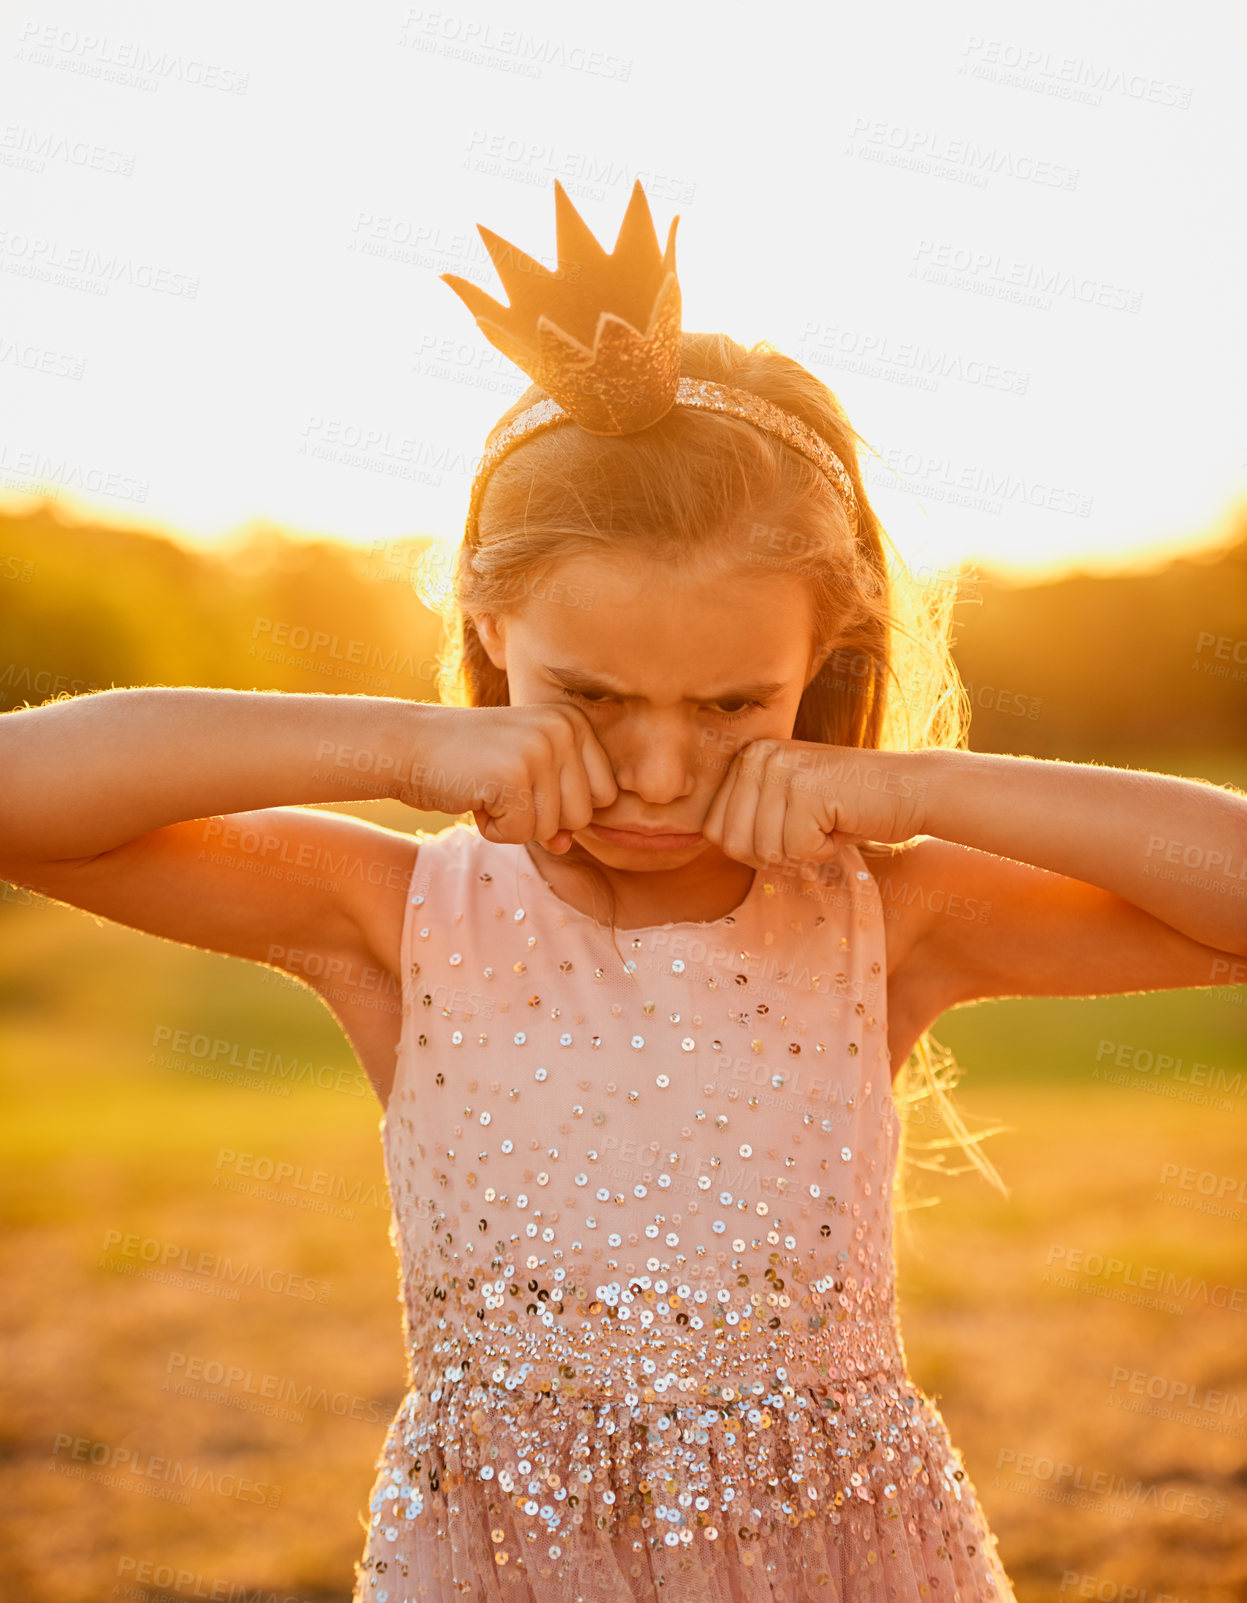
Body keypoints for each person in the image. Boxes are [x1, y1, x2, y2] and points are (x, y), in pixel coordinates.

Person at [1, 181, 1242, 1602]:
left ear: (825, 659)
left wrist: (918, 793)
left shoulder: (880, 916)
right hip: (505, 1563)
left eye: (733, 703)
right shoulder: (394, 914)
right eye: (587, 694)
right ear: (488, 630)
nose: (658, 769)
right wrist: (399, 748)